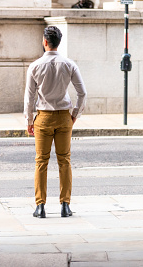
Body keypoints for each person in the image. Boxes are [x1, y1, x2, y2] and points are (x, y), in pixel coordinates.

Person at [24, 26, 87, 218]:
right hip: (63, 116)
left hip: (43, 116)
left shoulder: (35, 66)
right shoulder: (69, 64)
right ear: (59, 42)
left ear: (44, 42)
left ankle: (40, 206)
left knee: (41, 162)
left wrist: (29, 120)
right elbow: (82, 93)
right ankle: (65, 205)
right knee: (64, 160)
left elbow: (29, 97)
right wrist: (75, 114)